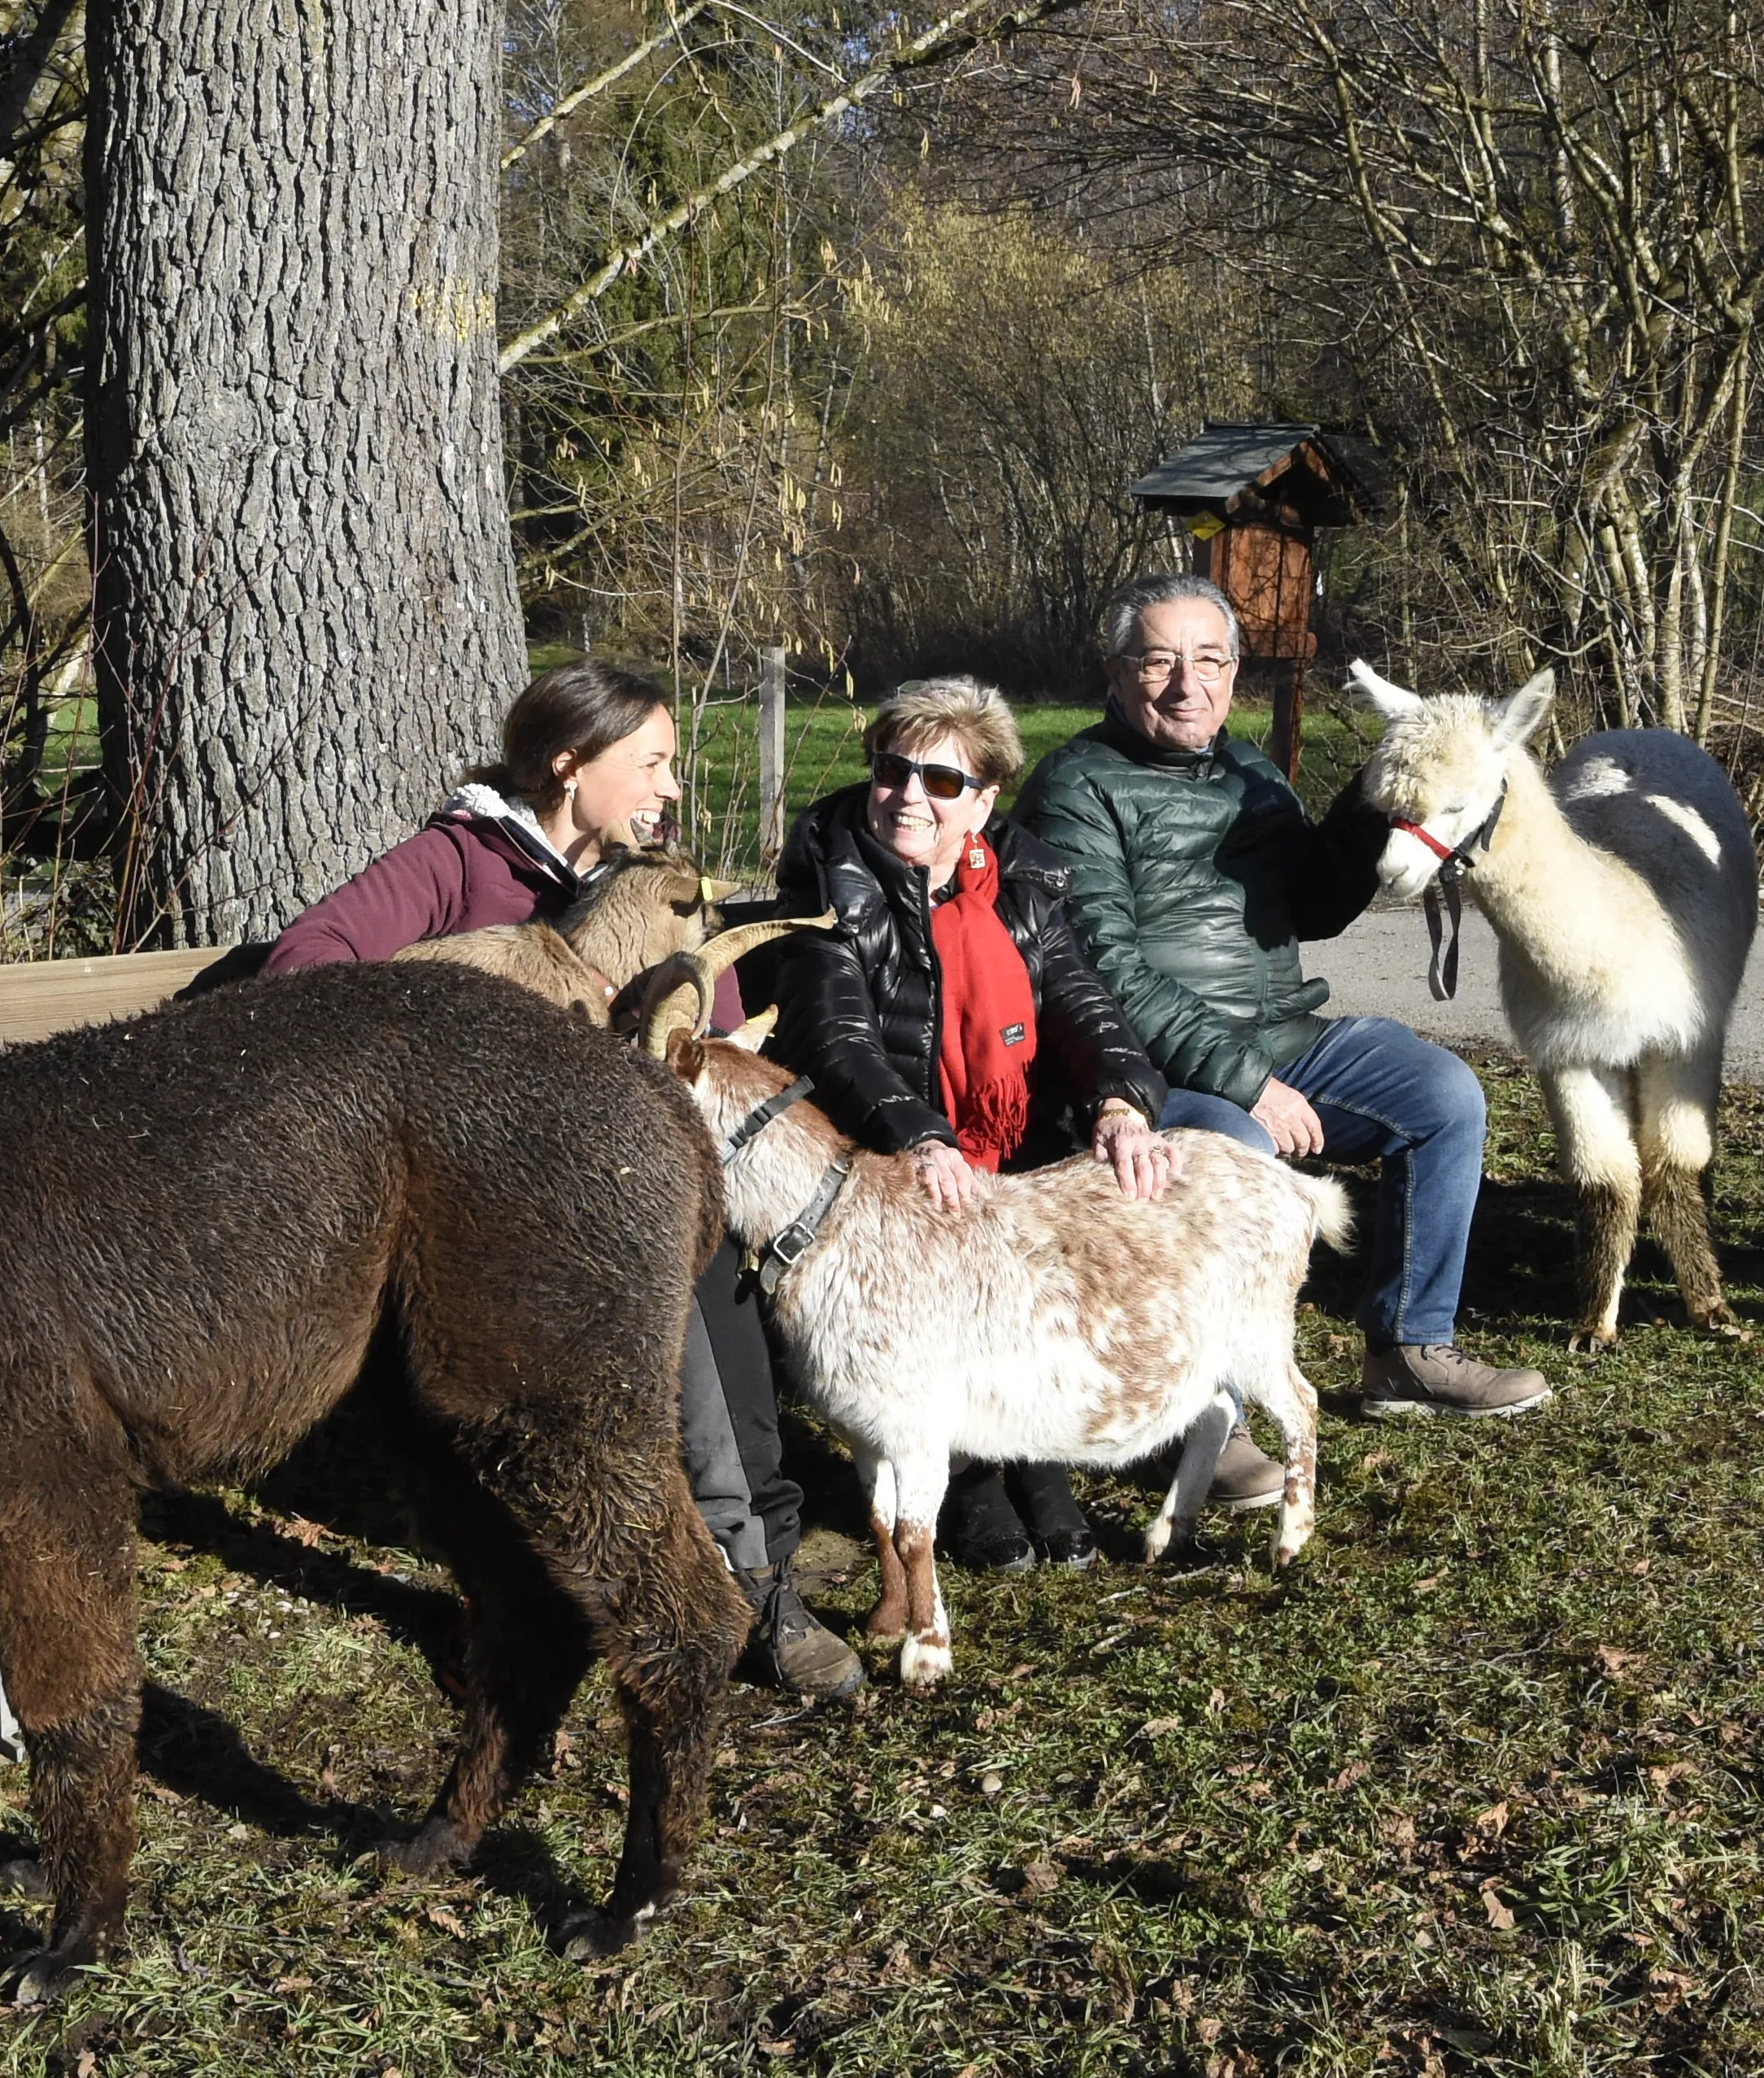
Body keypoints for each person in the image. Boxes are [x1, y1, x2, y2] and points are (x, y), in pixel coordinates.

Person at [264, 661, 865, 1697]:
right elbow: (301, 967)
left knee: (710, 1280)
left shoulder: (639, 875)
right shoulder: (459, 859)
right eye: (652, 765)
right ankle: (561, 1596)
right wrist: (488, 984)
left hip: (624, 1176)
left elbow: (710, 1022)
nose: (669, 789)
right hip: (481, 1205)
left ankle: (756, 1575)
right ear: (566, 767)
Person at [1020, 575, 1546, 1418]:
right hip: (1142, 1067)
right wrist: (1248, 1084)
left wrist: (1375, 800)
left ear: (1233, 672)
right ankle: (1203, 1408)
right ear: (1114, 673)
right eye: (1157, 661)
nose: (1185, 684)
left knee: (1441, 1095)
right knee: (1231, 1145)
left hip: (1282, 1034)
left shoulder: (1247, 769)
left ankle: (1407, 1349)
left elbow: (1314, 906)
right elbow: (1102, 970)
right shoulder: (1075, 787)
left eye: (1207, 659)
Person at [762, 677, 1187, 1571]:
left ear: (984, 802)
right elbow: (832, 1035)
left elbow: (1079, 1002)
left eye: (941, 781)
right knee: (944, 1244)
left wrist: (1118, 1099)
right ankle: (968, 1473)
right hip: (875, 1146)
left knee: (1058, 1224)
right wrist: (918, 1131)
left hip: (1011, 1135)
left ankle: (1034, 1460)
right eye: (891, 769)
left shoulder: (1020, 878)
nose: (908, 795)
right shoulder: (826, 872)